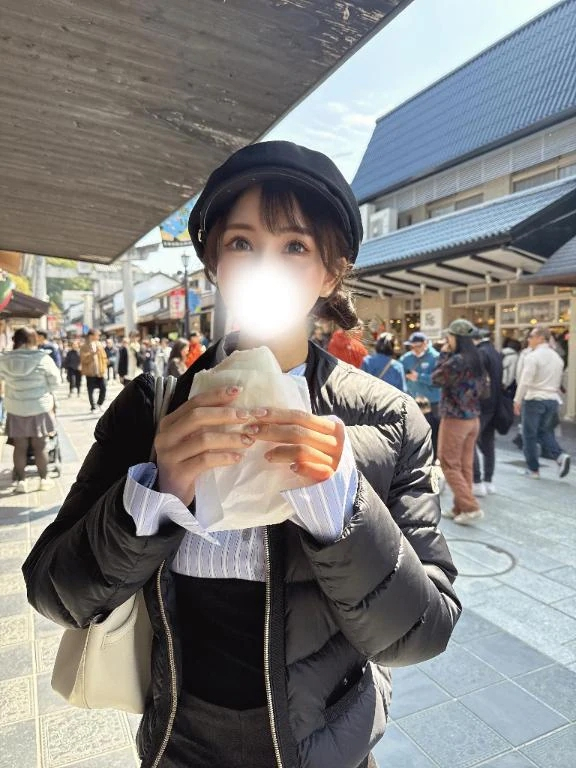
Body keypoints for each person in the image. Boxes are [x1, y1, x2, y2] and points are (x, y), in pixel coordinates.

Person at [23, 140, 460, 768]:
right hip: (178, 744)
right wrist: (153, 494)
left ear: (330, 272)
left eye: (295, 247)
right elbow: (53, 591)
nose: (265, 268)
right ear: (215, 265)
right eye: (242, 243)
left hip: (326, 751)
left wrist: (341, 504)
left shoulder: (388, 419)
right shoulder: (152, 408)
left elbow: (423, 632)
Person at [431, 319, 485, 525]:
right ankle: (459, 507)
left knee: (448, 464)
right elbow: (485, 390)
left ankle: (471, 507)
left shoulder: (456, 361)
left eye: (449, 336)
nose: (447, 340)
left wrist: (443, 355)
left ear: (457, 338)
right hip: (473, 418)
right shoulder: (477, 357)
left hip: (455, 418)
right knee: (464, 465)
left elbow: (436, 378)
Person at [0, 327, 59, 493]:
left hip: (15, 409)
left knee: (19, 447)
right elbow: (56, 381)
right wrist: (44, 390)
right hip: (39, 408)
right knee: (40, 447)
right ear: (32, 339)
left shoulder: (4, 359)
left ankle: (21, 482)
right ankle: (44, 480)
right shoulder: (43, 358)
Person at [514, 325, 570, 479]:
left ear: (540, 338)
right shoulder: (557, 358)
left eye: (531, 336)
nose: (529, 339)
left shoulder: (532, 357)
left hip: (534, 398)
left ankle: (533, 469)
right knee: (545, 431)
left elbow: (525, 381)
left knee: (529, 435)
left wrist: (517, 400)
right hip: (552, 398)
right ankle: (559, 456)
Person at [471, 328, 503, 497]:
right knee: (488, 443)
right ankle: (488, 481)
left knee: (470, 442)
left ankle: (477, 482)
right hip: (495, 404)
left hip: (481, 404)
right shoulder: (495, 352)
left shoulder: (480, 353)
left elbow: (477, 381)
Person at [400, 332, 441, 415]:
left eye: (418, 346)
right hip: (412, 400)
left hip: (432, 402)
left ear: (425, 343)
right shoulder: (405, 358)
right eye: (412, 346)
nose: (415, 349)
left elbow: (439, 380)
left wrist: (419, 377)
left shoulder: (436, 357)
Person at [79, 329, 108, 413]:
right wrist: (93, 354)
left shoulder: (99, 345)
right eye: (97, 335)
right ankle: (93, 407)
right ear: (91, 336)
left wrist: (104, 367)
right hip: (90, 372)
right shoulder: (84, 346)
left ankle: (100, 403)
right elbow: (83, 359)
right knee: (90, 390)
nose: (98, 337)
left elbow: (104, 357)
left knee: (104, 388)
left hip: (100, 371)